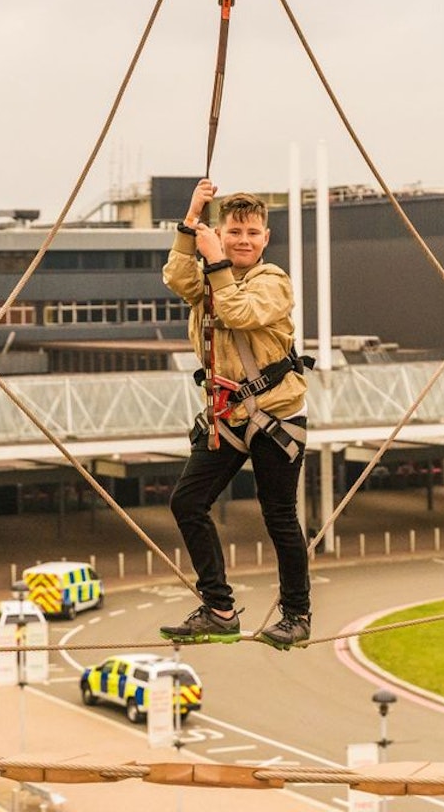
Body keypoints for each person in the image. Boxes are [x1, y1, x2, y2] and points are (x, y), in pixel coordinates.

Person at [158, 178, 312, 650]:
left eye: (251, 233)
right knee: (187, 502)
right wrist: (190, 221)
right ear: (221, 234)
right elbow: (178, 278)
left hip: (275, 416)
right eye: (233, 232)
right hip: (226, 416)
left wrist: (216, 260)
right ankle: (219, 608)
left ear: (265, 239)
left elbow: (240, 312)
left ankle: (297, 614)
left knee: (279, 515)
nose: (243, 240)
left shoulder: (275, 283)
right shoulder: (206, 278)